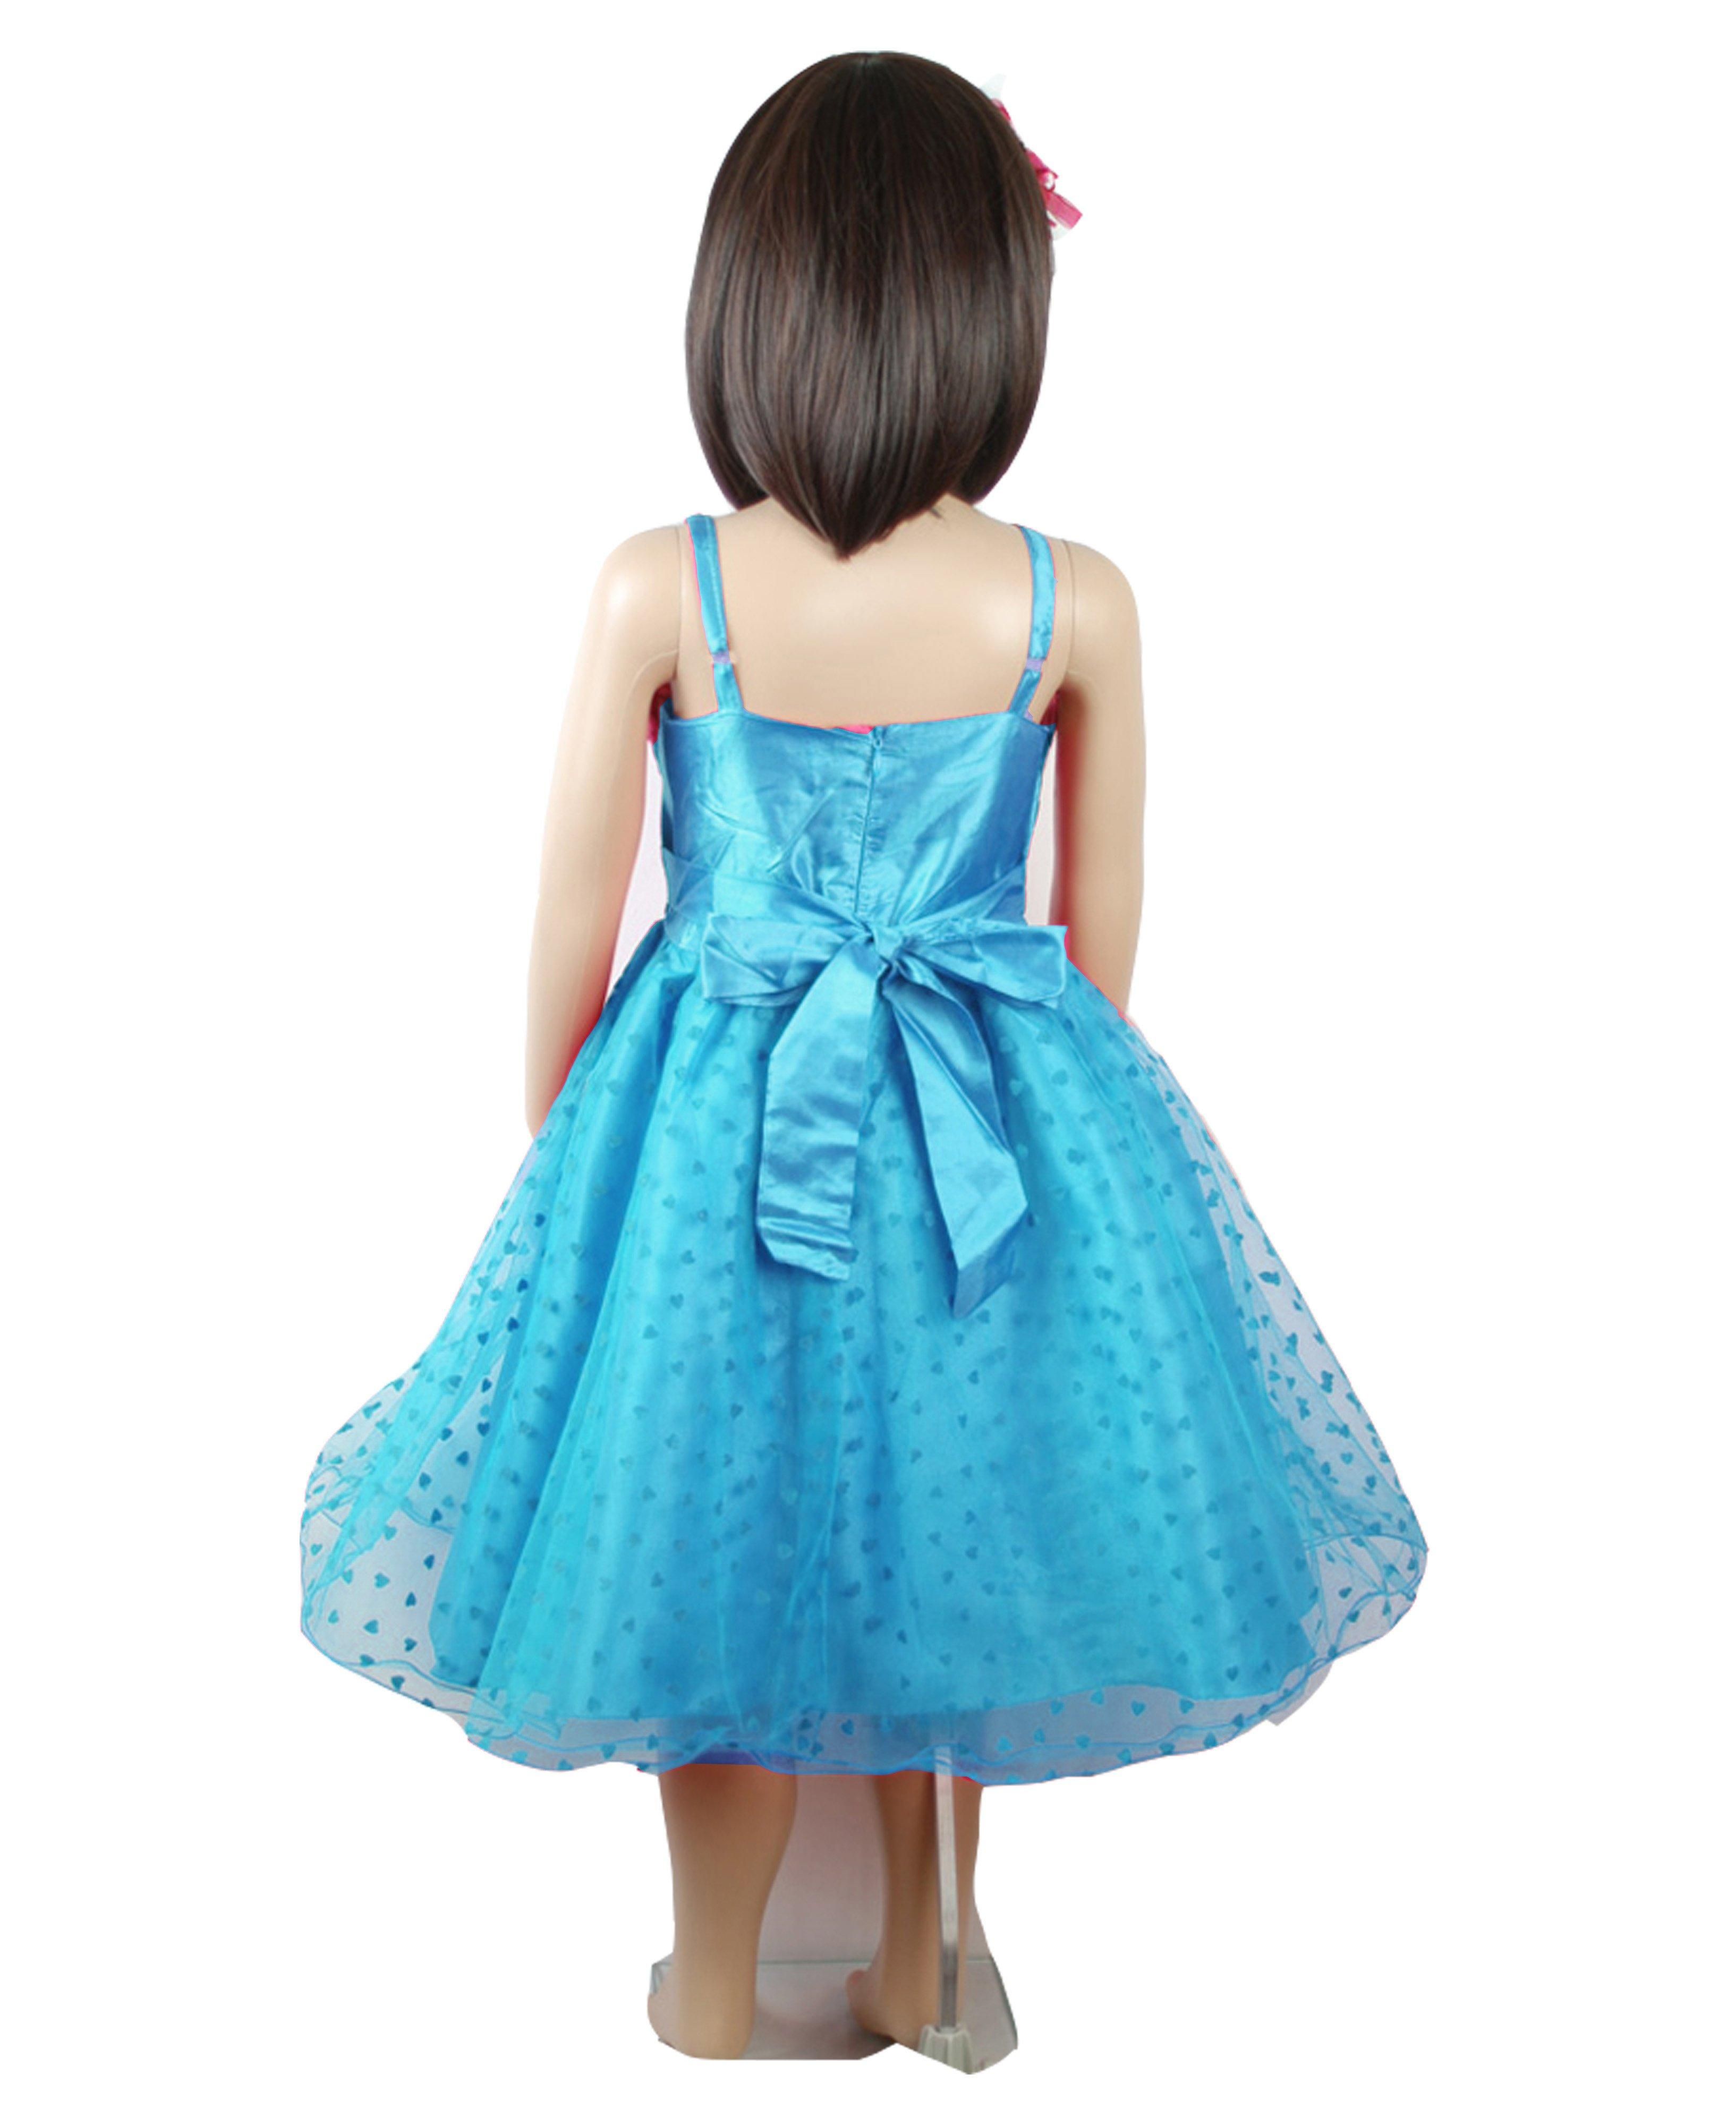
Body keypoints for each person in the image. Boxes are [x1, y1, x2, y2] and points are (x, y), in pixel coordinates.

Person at [300, 49, 1427, 2070]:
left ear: (747, 300)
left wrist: (575, 1160)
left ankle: (715, 1982)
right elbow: (1096, 954)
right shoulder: (1068, 601)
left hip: (702, 1129)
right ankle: (923, 1960)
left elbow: (568, 923)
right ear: (995, 310)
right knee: (960, 1536)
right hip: (983, 1128)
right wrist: (1067, 1169)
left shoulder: (668, 583)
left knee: (692, 1544)